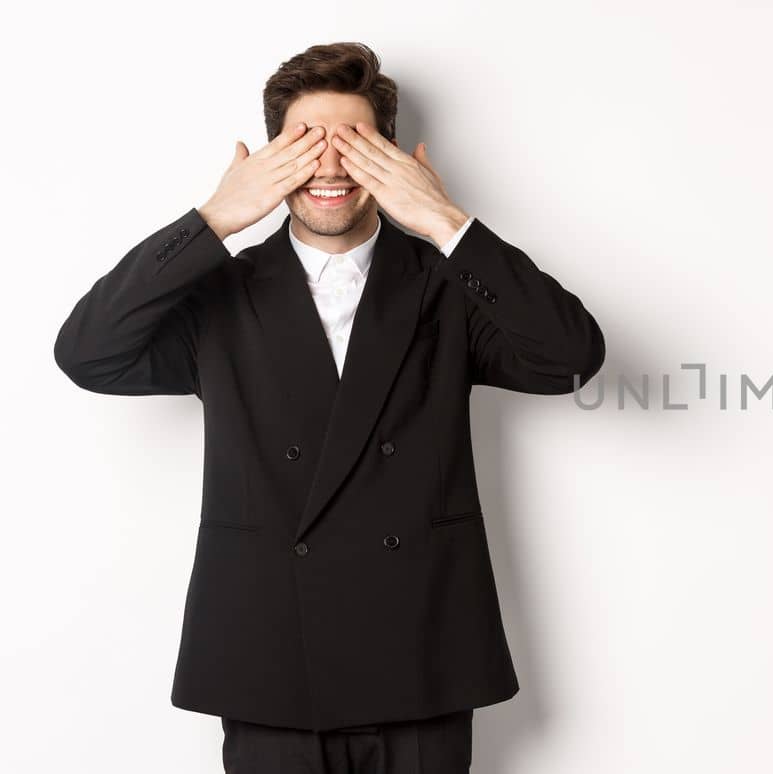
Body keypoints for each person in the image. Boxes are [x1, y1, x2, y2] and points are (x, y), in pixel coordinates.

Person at [53, 41, 605, 773]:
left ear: (396, 157)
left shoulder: (445, 287)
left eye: (357, 143)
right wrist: (215, 218)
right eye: (306, 144)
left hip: (420, 658)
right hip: (272, 661)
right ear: (268, 159)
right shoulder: (220, 294)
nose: (332, 166)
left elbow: (571, 359)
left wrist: (445, 220)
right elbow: (87, 353)